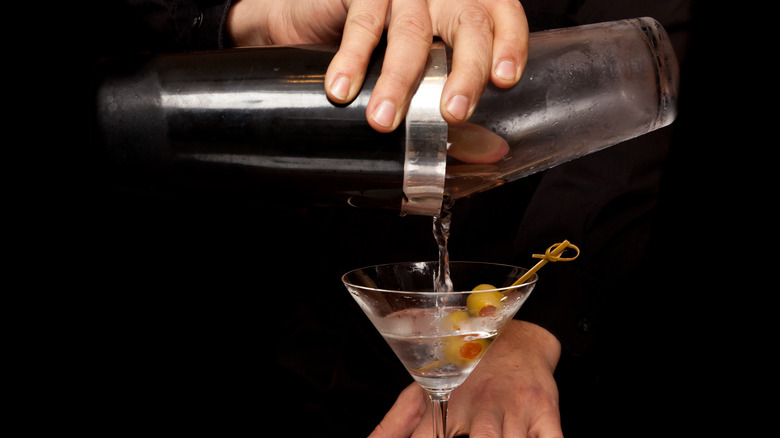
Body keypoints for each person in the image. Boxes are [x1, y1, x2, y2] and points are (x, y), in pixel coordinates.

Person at [83, 1, 696, 436]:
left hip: (522, 360)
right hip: (299, 328)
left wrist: (532, 331)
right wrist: (248, 13)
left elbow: (620, 124)